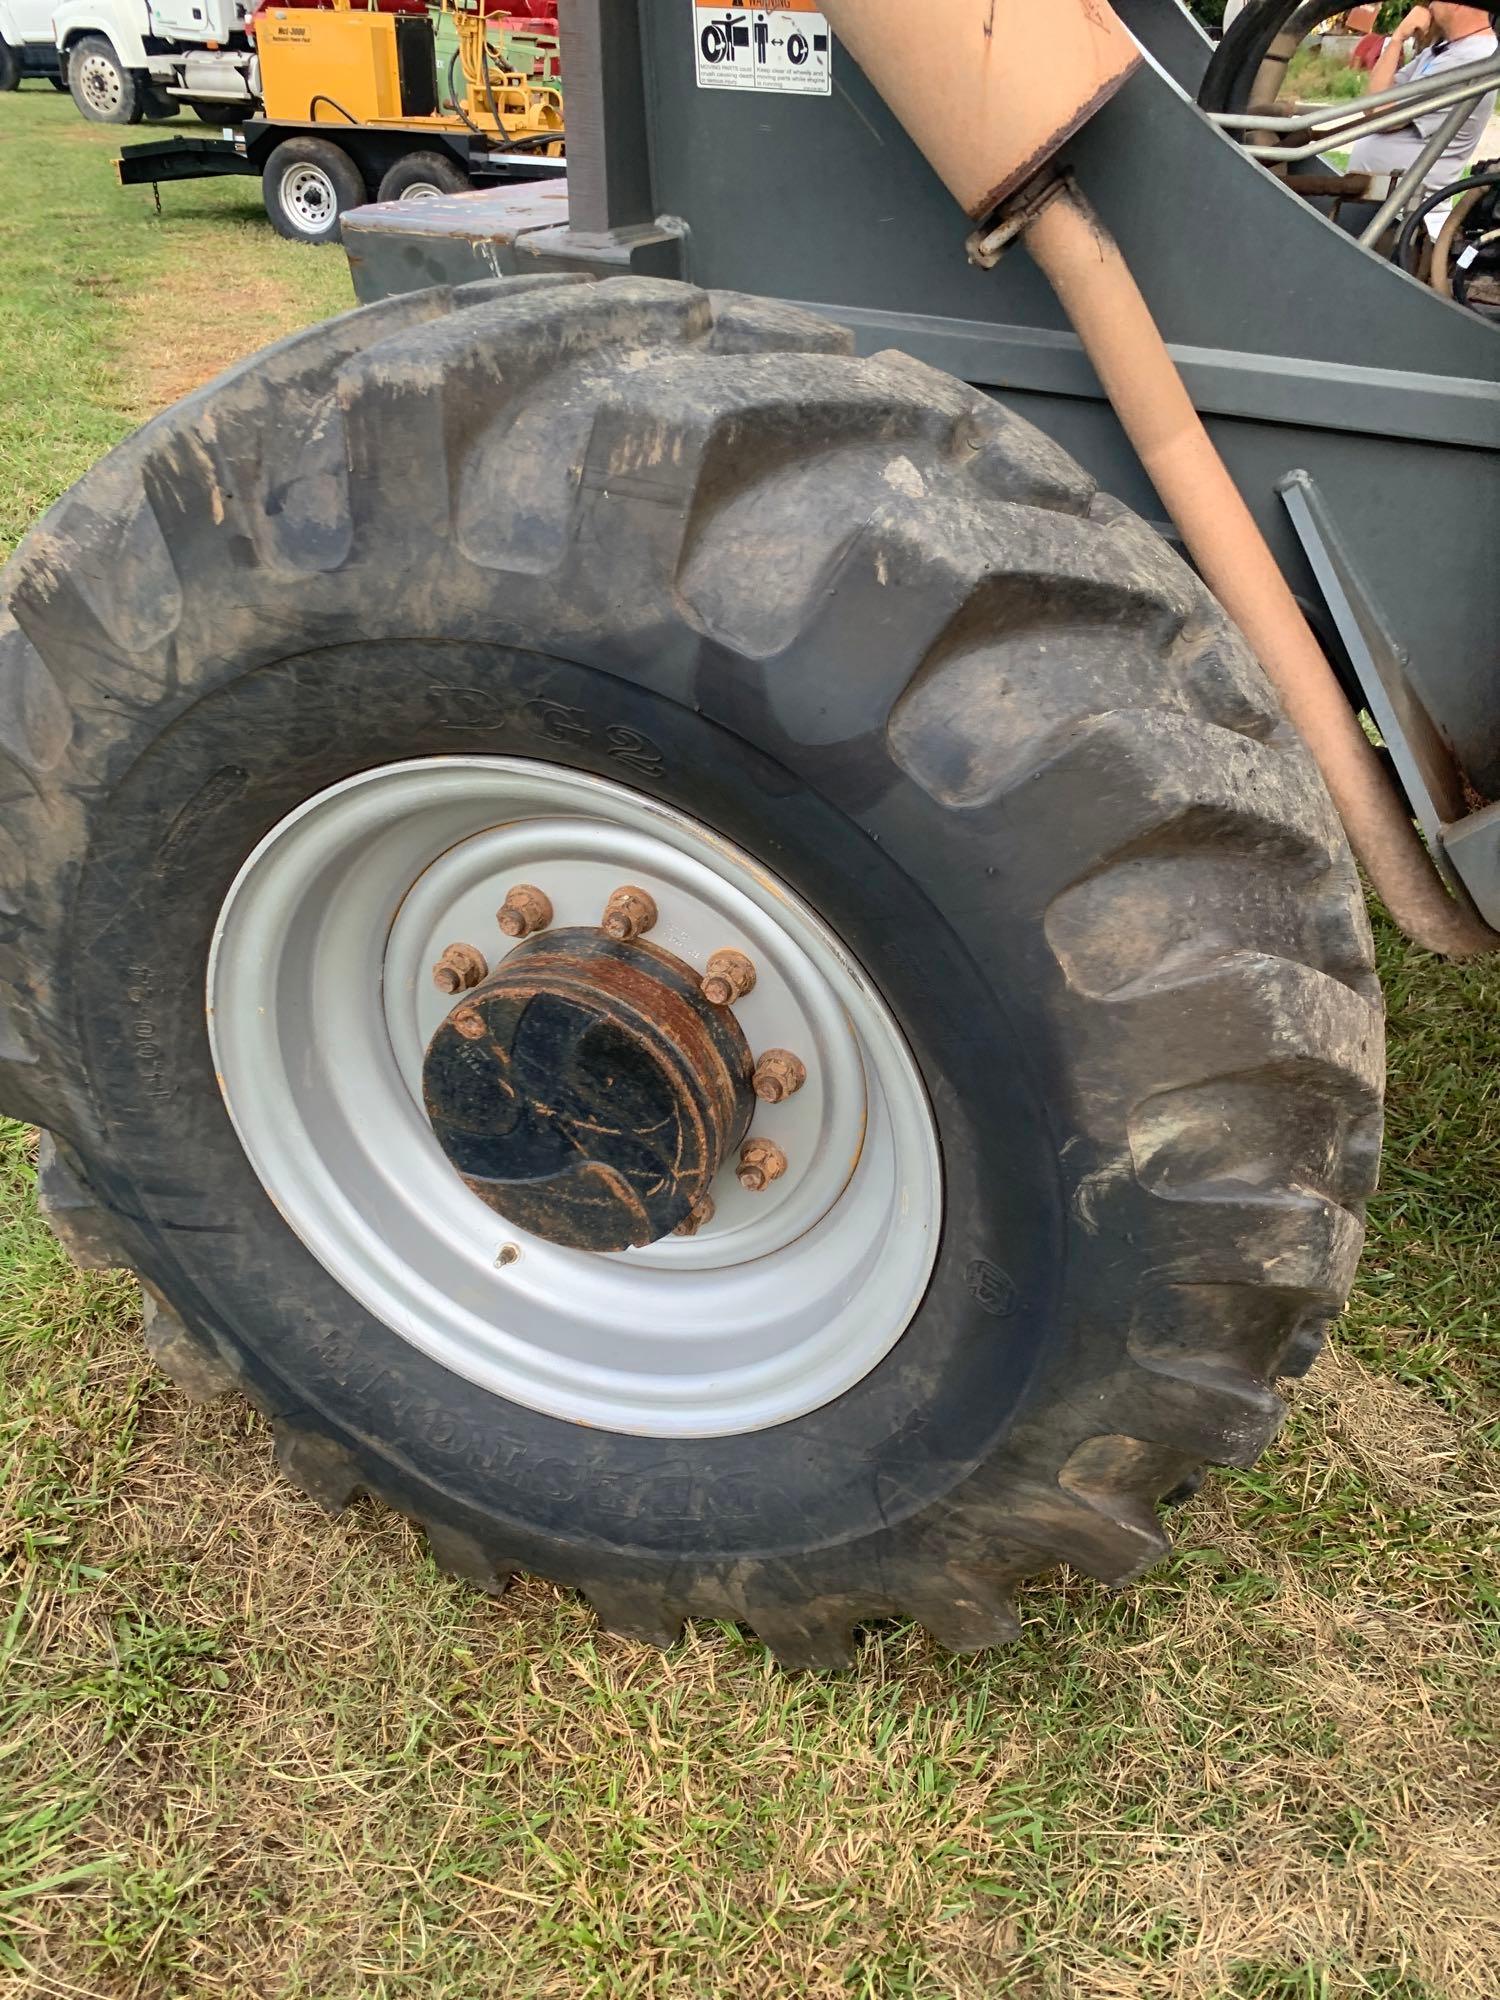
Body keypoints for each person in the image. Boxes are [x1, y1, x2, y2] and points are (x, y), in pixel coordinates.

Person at [1347, 4, 1499, 224]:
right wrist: (1393, 43)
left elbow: (1381, 116)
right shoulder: (1447, 49)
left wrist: (1399, 37)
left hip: (1406, 218)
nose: (1428, 5)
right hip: (1382, 206)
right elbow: (1374, 101)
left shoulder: (1472, 57)